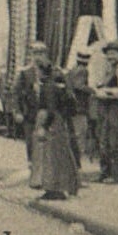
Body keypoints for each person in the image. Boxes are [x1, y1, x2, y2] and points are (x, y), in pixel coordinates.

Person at [29, 62, 79, 201]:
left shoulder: (48, 87)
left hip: (51, 122)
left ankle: (54, 188)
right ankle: (58, 187)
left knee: (51, 155)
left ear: (41, 72)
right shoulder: (53, 85)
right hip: (57, 122)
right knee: (58, 154)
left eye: (37, 71)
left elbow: (51, 109)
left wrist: (44, 127)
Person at [92, 38, 118, 184]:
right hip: (106, 107)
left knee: (116, 141)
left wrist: (106, 91)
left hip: (117, 107)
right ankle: (105, 173)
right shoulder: (109, 68)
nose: (110, 57)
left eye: (113, 53)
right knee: (103, 140)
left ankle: (117, 175)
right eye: (108, 54)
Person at [12, 40, 51, 164]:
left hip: (47, 113)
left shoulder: (51, 72)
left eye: (41, 53)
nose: (38, 57)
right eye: (35, 54)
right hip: (30, 113)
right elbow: (15, 94)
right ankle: (32, 167)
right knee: (31, 141)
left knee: (47, 142)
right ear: (31, 55)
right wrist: (17, 111)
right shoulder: (25, 73)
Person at [66, 50, 95, 165]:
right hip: (80, 107)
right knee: (80, 133)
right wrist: (92, 90)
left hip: (73, 107)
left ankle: (73, 160)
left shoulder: (72, 70)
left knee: (75, 133)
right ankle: (76, 161)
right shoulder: (83, 71)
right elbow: (79, 85)